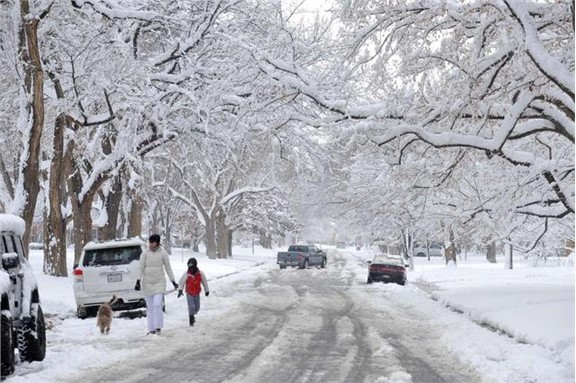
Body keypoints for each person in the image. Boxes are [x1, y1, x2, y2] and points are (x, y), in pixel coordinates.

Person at [134, 234, 178, 335]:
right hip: (147, 283)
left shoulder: (163, 253)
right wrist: (137, 280)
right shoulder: (145, 254)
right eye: (149, 242)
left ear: (157, 243)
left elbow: (168, 268)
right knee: (150, 308)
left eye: (152, 242)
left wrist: (173, 281)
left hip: (159, 283)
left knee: (157, 304)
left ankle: (158, 327)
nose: (150, 244)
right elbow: (140, 268)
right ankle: (151, 329)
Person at [177, 257, 209, 326]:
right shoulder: (187, 274)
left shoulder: (200, 273)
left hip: (197, 292)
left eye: (192, 267)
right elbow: (181, 282)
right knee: (191, 307)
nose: (191, 269)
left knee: (197, 308)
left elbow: (204, 282)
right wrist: (180, 290)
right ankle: (191, 319)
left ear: (195, 266)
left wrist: (207, 290)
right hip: (189, 292)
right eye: (189, 267)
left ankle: (193, 315)